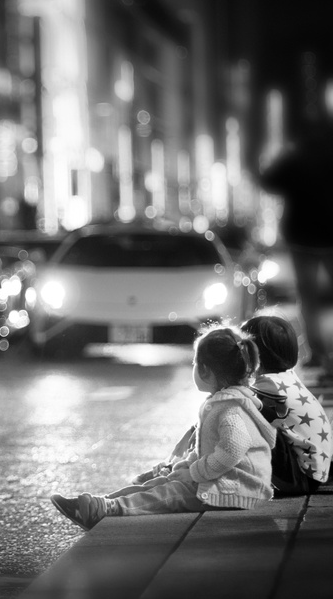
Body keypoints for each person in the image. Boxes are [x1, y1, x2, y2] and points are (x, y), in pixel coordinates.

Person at [50, 325, 277, 530]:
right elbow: (208, 448)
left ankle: (107, 509)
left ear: (206, 370)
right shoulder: (223, 403)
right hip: (222, 482)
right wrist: (186, 465)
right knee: (163, 483)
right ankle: (97, 504)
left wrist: (194, 472)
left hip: (233, 491)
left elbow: (231, 451)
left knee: (171, 493)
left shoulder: (231, 409)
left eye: (195, 363)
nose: (193, 367)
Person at [259, 123, 333, 377]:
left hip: (302, 237)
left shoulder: (294, 160)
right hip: (329, 234)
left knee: (308, 299)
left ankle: (318, 353)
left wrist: (283, 156)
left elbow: (268, 181)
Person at [243, 314, 331, 495]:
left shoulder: (268, 386)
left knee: (240, 413)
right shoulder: (286, 378)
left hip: (299, 478)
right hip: (312, 473)